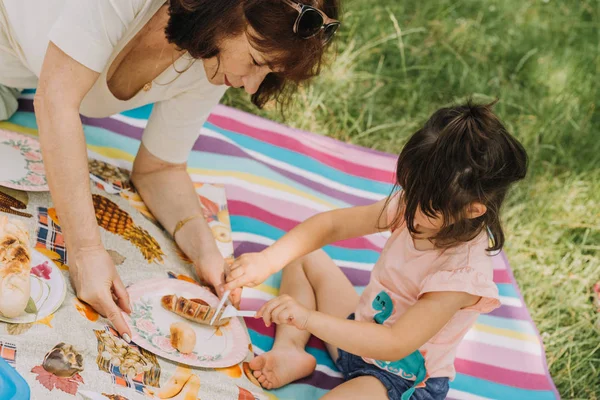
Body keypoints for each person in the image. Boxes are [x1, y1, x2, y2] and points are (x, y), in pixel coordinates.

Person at [0, 0, 339, 339]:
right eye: (254, 61)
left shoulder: (211, 47)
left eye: (267, 73)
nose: (250, 86)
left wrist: (206, 251)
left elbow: (160, 168)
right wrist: (86, 251)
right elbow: (56, 100)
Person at [224, 101, 528, 399]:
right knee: (303, 255)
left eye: (428, 207)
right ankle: (289, 350)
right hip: (359, 330)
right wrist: (268, 259)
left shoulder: (461, 274)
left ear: (472, 210)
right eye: (409, 190)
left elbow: (395, 343)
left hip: (399, 379)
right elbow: (331, 226)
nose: (410, 211)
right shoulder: (414, 205)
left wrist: (307, 319)